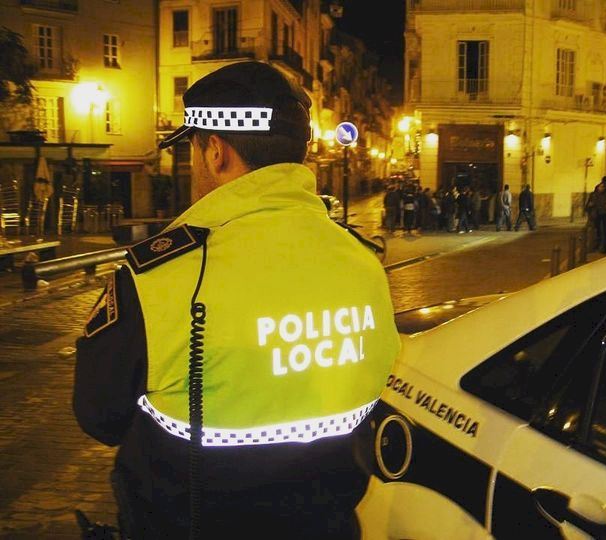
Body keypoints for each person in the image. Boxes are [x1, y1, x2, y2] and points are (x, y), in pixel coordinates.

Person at [73, 61, 401, 539]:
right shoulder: (362, 260)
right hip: (327, 526)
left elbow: (99, 416)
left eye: (192, 150)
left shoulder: (160, 275)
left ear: (216, 151)